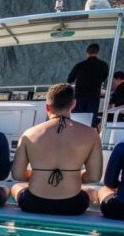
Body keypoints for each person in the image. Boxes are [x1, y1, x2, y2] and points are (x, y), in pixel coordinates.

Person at [9, 83, 102, 215]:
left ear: (47, 106)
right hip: (74, 205)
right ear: (73, 104)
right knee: (92, 192)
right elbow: (94, 177)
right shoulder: (91, 134)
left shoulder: (29, 134)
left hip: (32, 203)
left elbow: (17, 175)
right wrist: (69, 175)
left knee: (16, 187)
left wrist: (40, 174)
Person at [67, 43, 109, 127]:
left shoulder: (79, 65)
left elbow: (69, 80)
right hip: (94, 96)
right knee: (91, 121)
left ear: (87, 52)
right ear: (97, 53)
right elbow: (104, 78)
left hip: (79, 96)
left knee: (76, 120)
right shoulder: (104, 65)